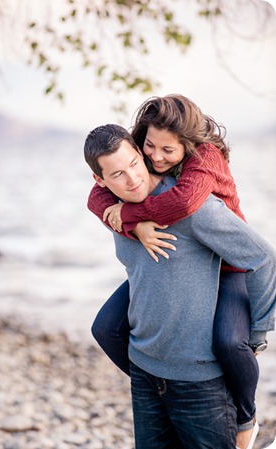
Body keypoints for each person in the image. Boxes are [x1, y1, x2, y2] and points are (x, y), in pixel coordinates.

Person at [87, 94, 268, 449]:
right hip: (147, 375)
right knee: (106, 327)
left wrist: (259, 328)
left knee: (232, 341)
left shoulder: (199, 178)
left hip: (231, 269)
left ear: (187, 146)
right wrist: (129, 222)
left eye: (164, 152)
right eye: (148, 148)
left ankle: (246, 413)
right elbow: (96, 198)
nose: (152, 160)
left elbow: (187, 206)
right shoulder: (116, 195)